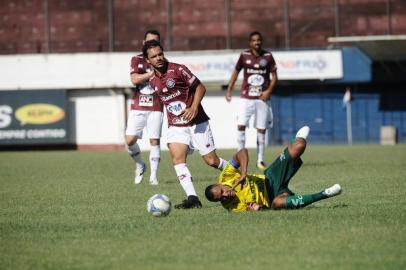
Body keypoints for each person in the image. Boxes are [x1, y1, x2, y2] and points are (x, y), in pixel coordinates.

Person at [142, 39, 227, 209]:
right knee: (177, 159)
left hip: (197, 122)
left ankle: (239, 174)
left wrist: (194, 107)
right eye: (154, 56)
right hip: (176, 126)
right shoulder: (152, 80)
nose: (158, 58)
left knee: (211, 161)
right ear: (148, 60)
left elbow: (200, 87)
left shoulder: (178, 69)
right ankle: (193, 199)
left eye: (160, 54)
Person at [204, 126, 342, 212]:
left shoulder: (226, 176)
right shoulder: (233, 207)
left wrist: (243, 173)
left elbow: (242, 152)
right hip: (274, 198)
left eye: (222, 191)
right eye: (221, 198)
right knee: (278, 204)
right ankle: (324, 194)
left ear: (220, 184)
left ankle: (297, 138)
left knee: (300, 145)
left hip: (270, 177)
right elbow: (263, 211)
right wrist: (259, 210)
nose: (225, 195)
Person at [226, 31, 278, 170]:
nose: (257, 42)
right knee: (241, 125)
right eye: (254, 40)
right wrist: (229, 89)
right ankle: (239, 156)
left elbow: (274, 77)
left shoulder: (268, 56)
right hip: (246, 98)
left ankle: (260, 160)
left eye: (259, 40)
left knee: (261, 130)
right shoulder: (244, 55)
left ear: (261, 41)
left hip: (262, 99)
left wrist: (268, 91)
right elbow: (236, 72)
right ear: (250, 42)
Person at [126, 30, 164, 185]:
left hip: (156, 106)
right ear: (143, 43)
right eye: (149, 41)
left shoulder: (163, 61)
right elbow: (134, 79)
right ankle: (140, 164)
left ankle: (153, 177)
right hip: (138, 105)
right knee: (129, 140)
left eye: (155, 42)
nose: (152, 45)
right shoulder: (137, 59)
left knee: (154, 140)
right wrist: (151, 74)